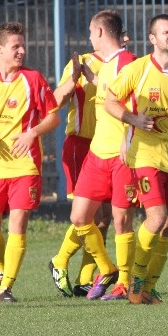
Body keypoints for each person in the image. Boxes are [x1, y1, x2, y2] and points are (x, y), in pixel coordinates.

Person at [103, 13, 168, 304]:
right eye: (165, 32)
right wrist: (133, 118)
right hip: (145, 154)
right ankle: (135, 282)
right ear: (153, 39)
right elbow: (110, 101)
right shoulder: (138, 69)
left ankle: (150, 287)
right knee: (156, 218)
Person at [0, 21, 60, 302]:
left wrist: (33, 133)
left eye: (22, 45)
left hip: (24, 165)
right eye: (15, 46)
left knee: (18, 223)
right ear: (0, 49)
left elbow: (53, 116)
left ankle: (6, 288)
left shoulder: (34, 79)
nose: (21, 51)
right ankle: (3, 270)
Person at [48, 10, 139, 301]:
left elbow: (136, 104)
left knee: (120, 219)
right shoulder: (104, 65)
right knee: (80, 216)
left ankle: (123, 281)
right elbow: (101, 91)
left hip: (120, 154)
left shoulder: (128, 63)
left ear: (100, 32)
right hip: (95, 153)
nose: (88, 37)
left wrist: (129, 138)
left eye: (90, 31)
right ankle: (104, 267)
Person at [50, 46, 113, 297]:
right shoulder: (83, 62)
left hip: (107, 146)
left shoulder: (124, 65)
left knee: (104, 218)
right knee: (85, 215)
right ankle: (60, 261)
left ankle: (84, 278)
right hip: (80, 145)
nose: (128, 38)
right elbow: (56, 101)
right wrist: (75, 78)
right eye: (123, 33)